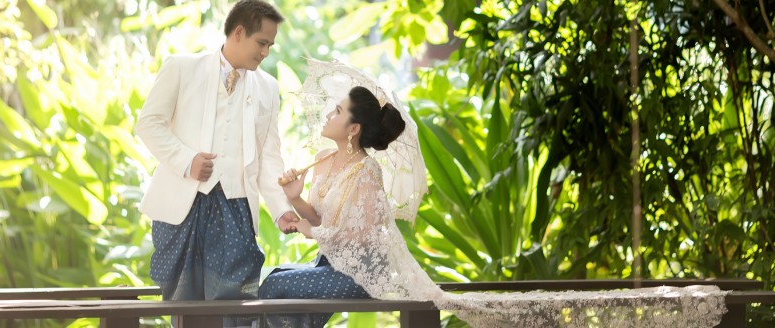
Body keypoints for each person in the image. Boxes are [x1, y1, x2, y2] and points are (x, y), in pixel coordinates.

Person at [260, 85, 727, 328]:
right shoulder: (324, 163)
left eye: (336, 112)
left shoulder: (366, 174)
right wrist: (296, 199)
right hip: (331, 264)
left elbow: (360, 239)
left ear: (355, 128)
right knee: (278, 281)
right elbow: (321, 220)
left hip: (361, 276)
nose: (328, 115)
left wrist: (306, 230)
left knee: (277, 287)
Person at [135, 0, 298, 327]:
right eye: (261, 43)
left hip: (235, 209)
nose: (266, 52)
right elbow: (148, 123)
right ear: (239, 32)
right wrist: (187, 160)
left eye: (270, 45)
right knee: (184, 306)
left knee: (235, 306)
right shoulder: (182, 68)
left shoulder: (268, 88)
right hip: (183, 208)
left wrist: (281, 209)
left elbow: (269, 156)